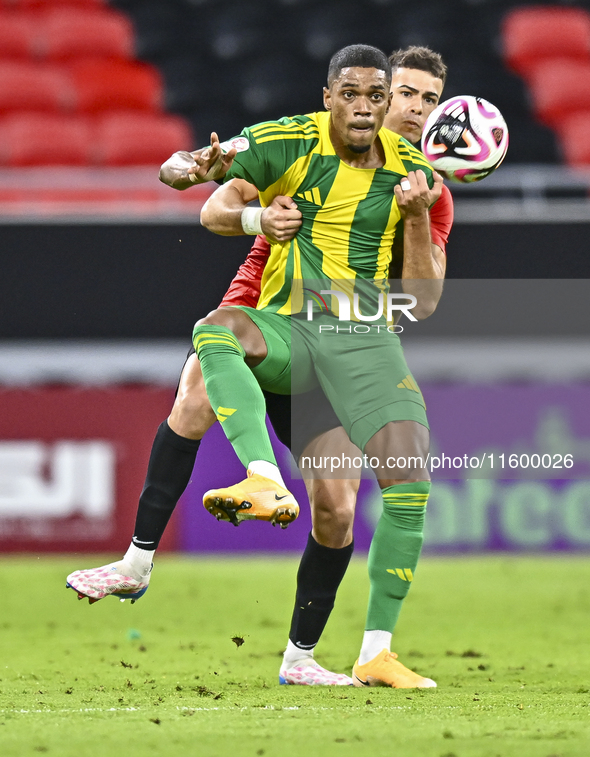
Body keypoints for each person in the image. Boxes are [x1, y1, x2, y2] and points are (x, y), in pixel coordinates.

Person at [67, 45, 451, 689]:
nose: (408, 109)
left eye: (423, 100)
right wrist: (246, 207)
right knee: (197, 385)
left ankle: (304, 656)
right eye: (402, 94)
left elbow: (422, 298)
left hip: (346, 339)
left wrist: (411, 221)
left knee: (336, 507)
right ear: (338, 94)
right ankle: (141, 557)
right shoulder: (294, 144)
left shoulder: (422, 188)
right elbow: (200, 189)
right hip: (263, 309)